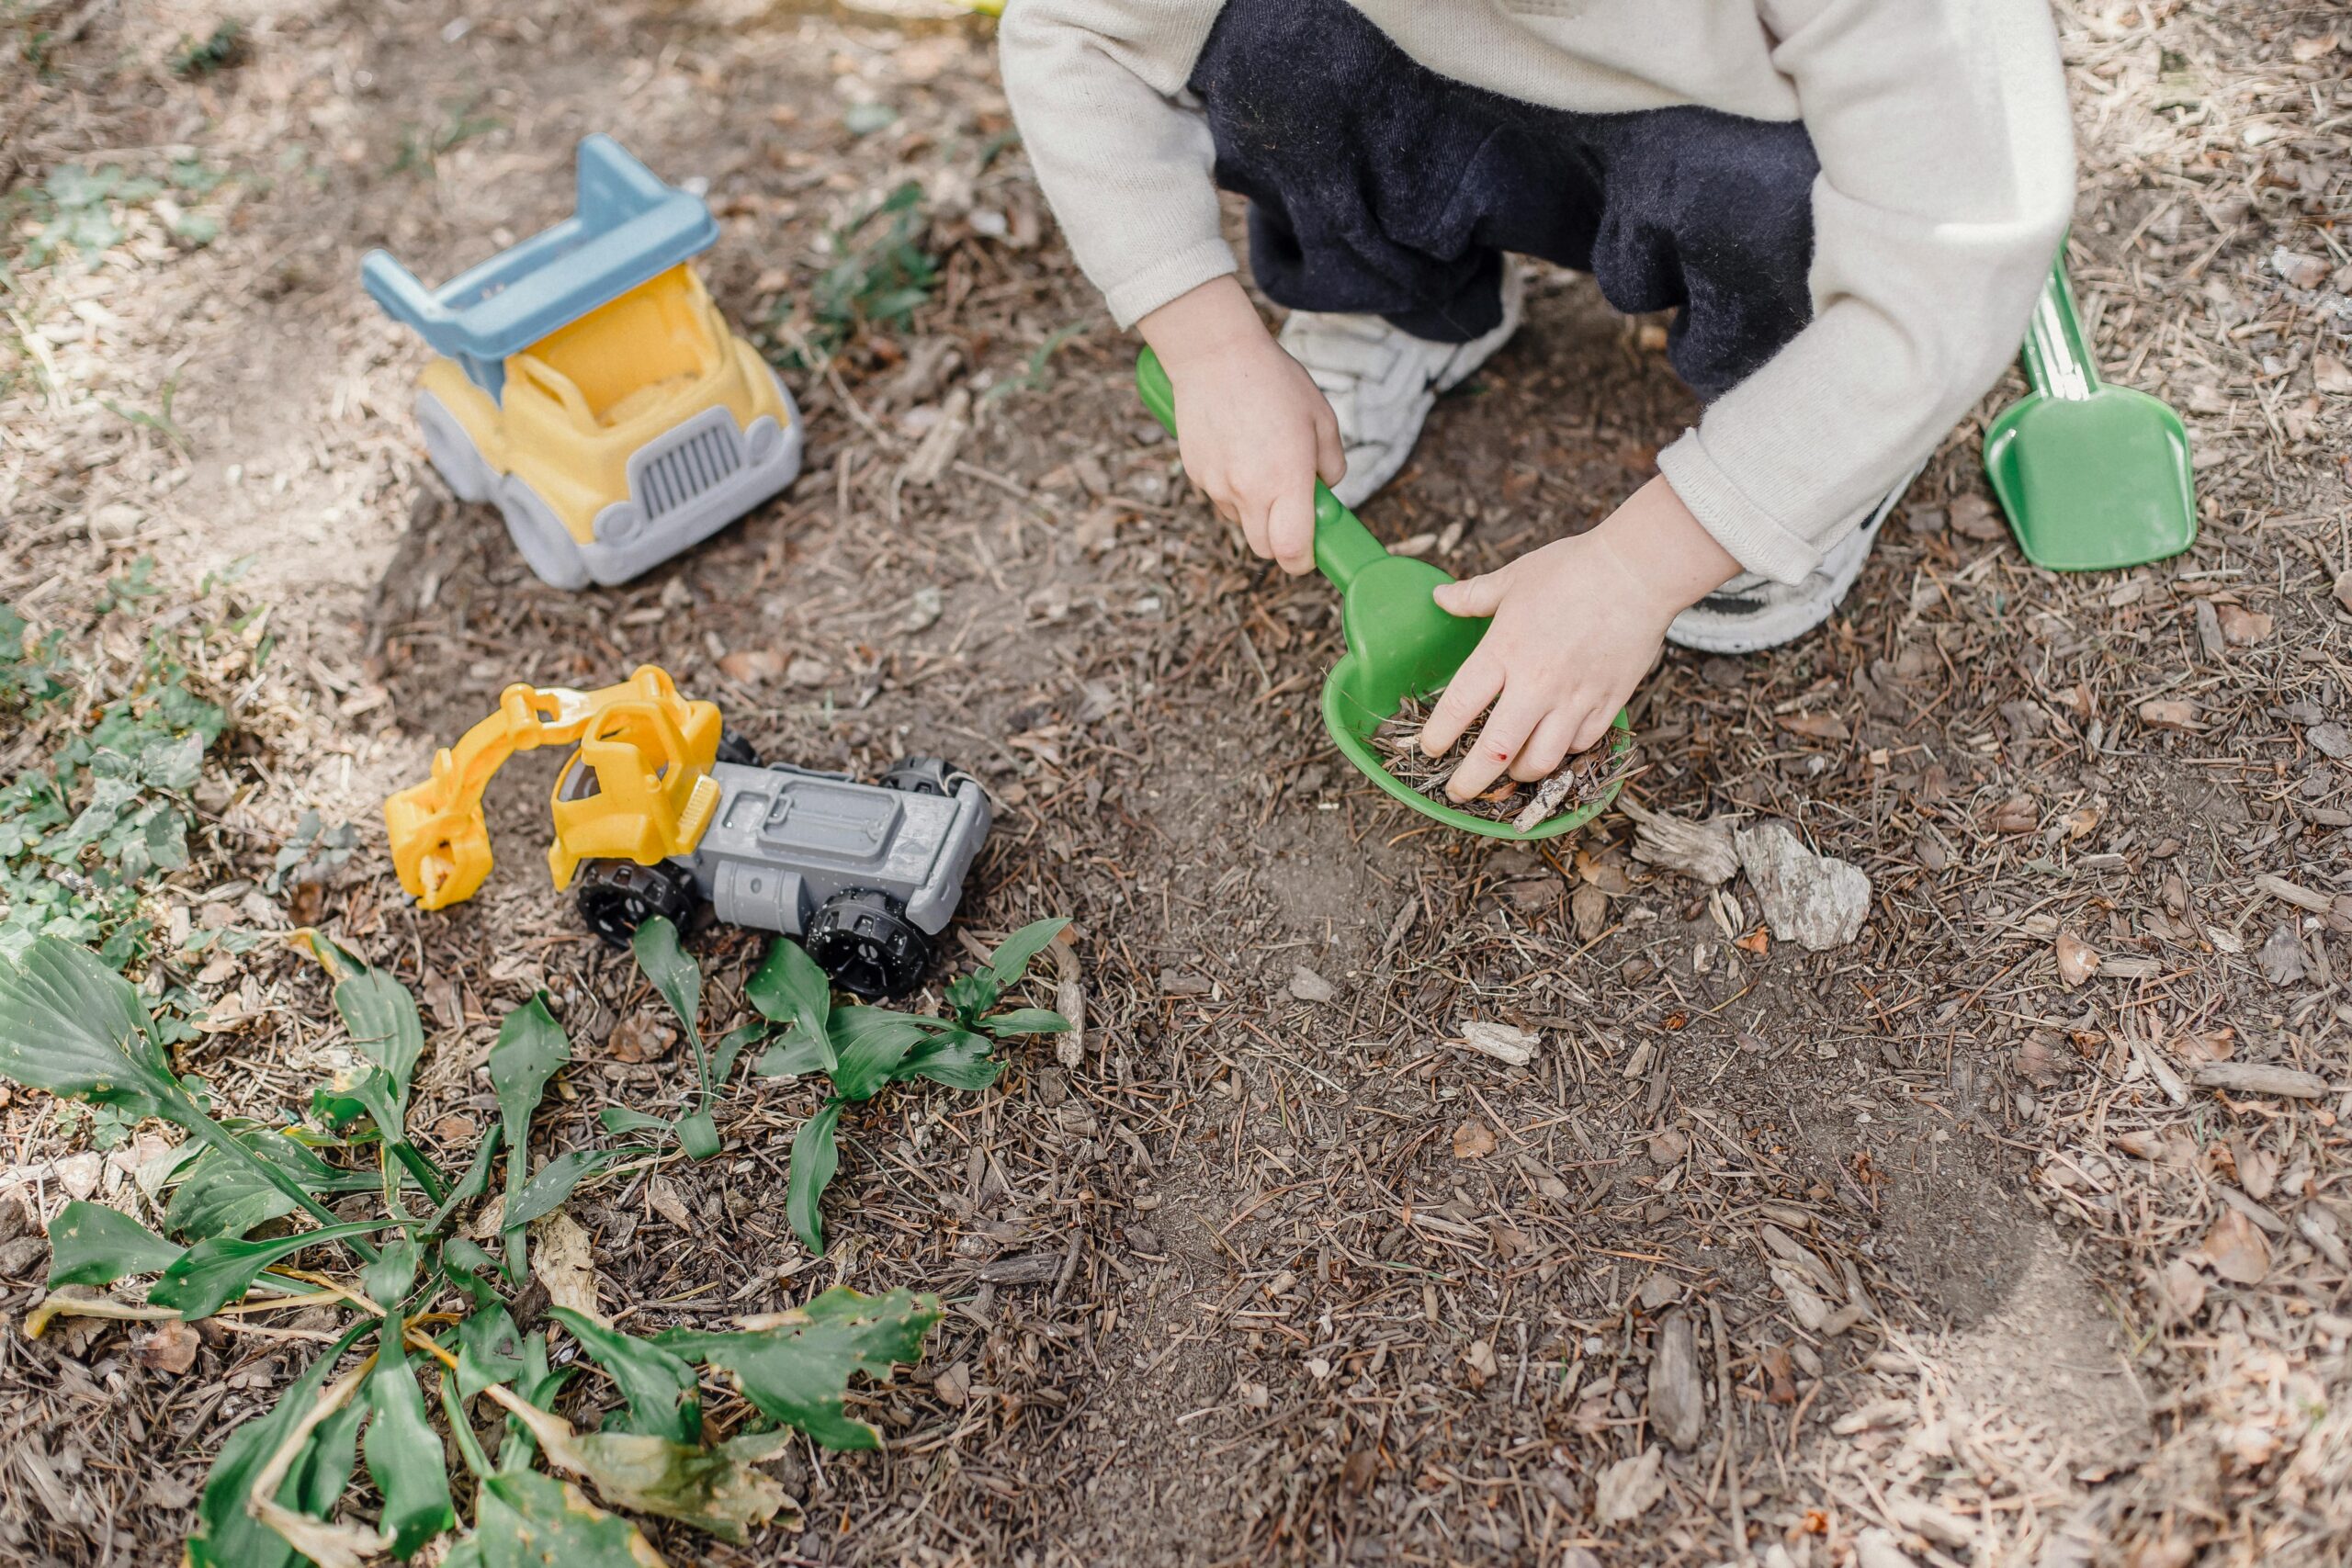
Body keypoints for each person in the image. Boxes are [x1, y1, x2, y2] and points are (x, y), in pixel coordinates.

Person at [1000, 0, 2075, 800]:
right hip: (1426, 58)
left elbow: (1946, 263)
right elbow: (1072, 27)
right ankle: (1395, 293)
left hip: (1728, 123)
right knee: (1270, 40)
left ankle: (1791, 424)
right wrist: (1209, 346)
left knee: (1760, 196)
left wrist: (1640, 562)